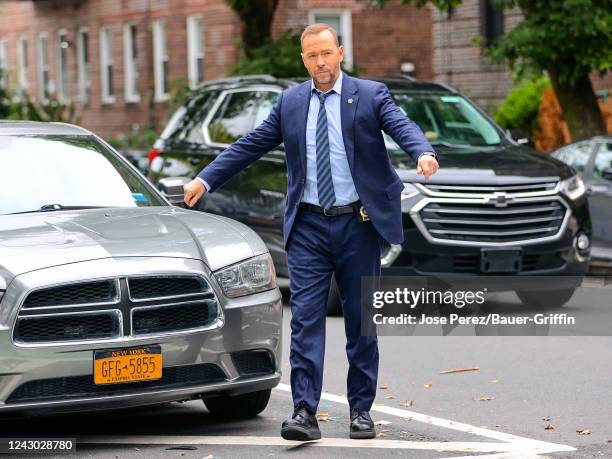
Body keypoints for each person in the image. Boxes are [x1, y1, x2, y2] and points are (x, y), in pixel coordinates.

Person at [183, 23, 439, 441]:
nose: (320, 62)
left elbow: (401, 125)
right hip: (308, 226)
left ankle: (361, 411)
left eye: (326, 53)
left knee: (360, 322)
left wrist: (423, 152)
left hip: (357, 222)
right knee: (304, 320)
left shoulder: (371, 95)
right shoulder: (291, 103)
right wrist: (205, 180)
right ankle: (304, 412)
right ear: (303, 60)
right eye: (311, 56)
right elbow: (250, 144)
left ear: (340, 52)